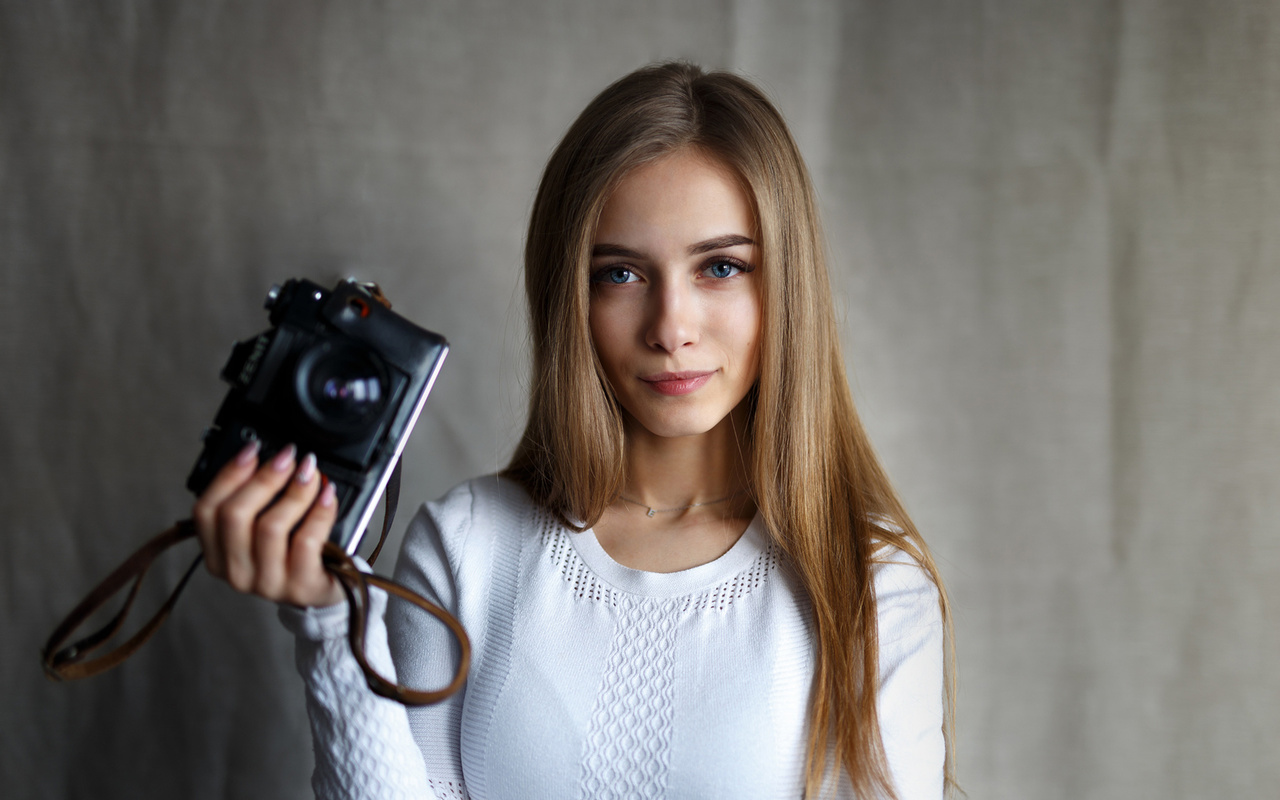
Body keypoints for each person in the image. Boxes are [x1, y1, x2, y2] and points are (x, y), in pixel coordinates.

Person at [192, 62, 955, 799]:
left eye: (720, 267)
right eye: (619, 273)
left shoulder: (871, 586)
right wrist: (329, 621)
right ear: (568, 297)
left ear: (785, 284)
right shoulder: (466, 547)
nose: (670, 327)